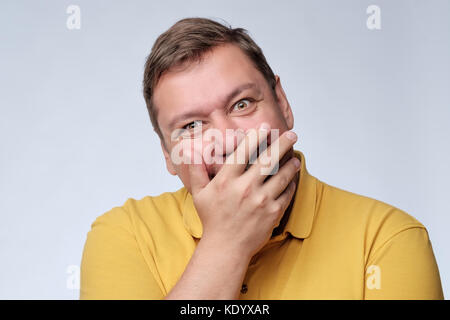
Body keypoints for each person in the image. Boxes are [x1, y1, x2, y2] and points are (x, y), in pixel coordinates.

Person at [80, 17, 444, 299]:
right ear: (168, 155)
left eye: (242, 104)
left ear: (282, 103)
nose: (226, 139)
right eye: (191, 125)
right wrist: (227, 243)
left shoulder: (387, 239)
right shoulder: (123, 235)